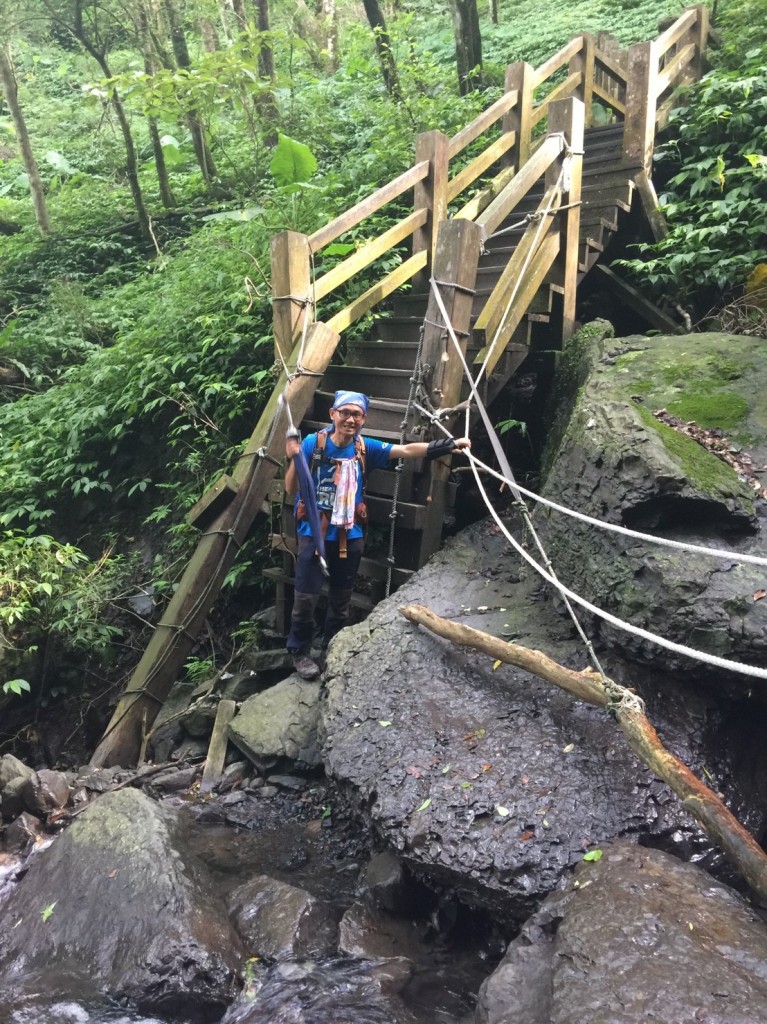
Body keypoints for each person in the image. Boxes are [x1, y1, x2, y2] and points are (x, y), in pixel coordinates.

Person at [284, 389, 471, 679]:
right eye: (344, 412)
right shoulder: (313, 443)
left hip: (350, 535)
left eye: (356, 414)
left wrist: (446, 446)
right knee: (305, 599)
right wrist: (295, 459)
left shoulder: (364, 448)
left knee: (341, 599)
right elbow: (290, 489)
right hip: (314, 534)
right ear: (332, 414)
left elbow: (407, 451)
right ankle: (300, 652)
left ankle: (332, 649)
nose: (350, 419)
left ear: (363, 419)